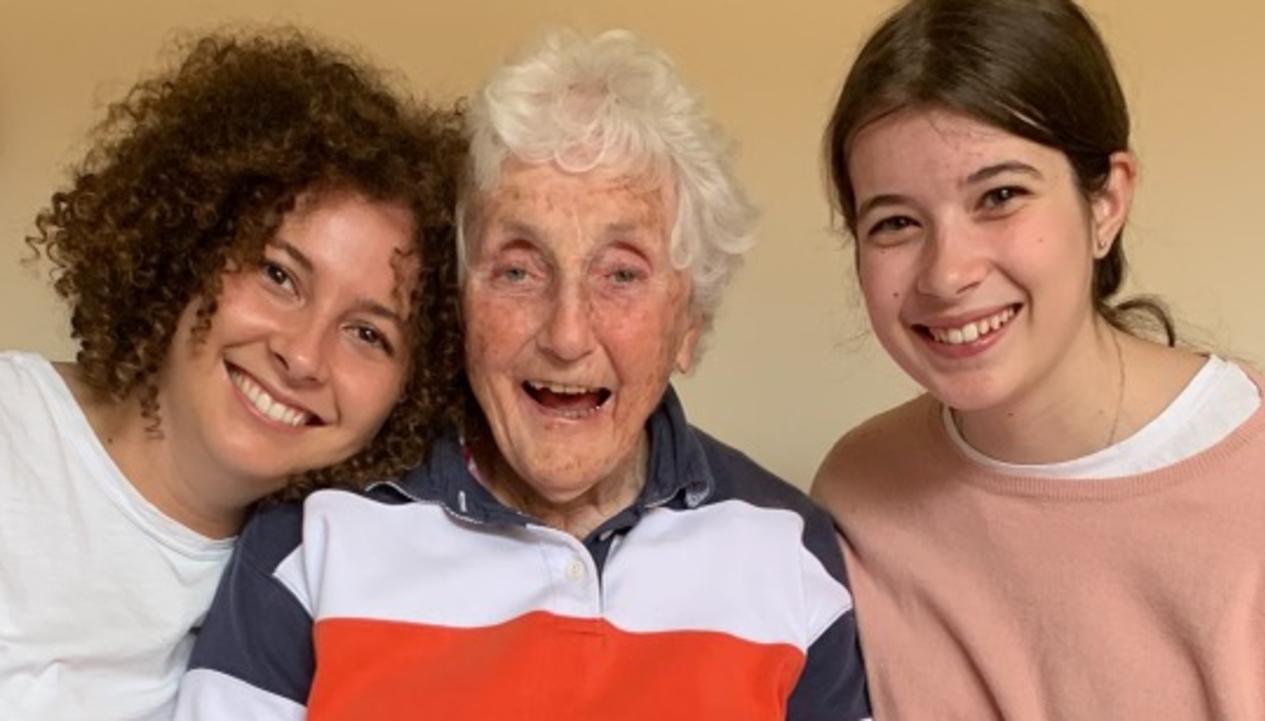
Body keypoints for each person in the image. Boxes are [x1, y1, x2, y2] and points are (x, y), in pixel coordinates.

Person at [176, 29, 872, 721]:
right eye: (517, 269)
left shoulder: (788, 546)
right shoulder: (314, 529)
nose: (567, 334)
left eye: (622, 273)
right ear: (460, 306)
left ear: (689, 323)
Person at [812, 0, 1265, 718]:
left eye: (1000, 195)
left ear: (1107, 202)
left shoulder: (1264, 484)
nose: (947, 273)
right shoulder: (858, 492)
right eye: (896, 222)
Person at [1, 30, 466, 720]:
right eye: (279, 275)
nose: (303, 356)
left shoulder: (327, 584)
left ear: (411, 389)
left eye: (368, 333)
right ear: (189, 242)